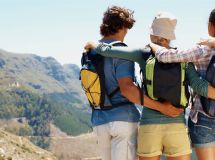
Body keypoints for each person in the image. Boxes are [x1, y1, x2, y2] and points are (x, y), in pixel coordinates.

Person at [84, 12, 215, 160]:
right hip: (176, 124)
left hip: (149, 126)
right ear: (170, 35)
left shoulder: (143, 53)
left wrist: (93, 44)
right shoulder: (181, 57)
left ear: (152, 33)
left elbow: (106, 51)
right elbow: (199, 86)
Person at [149, 9, 215, 160]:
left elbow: (165, 57)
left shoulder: (203, 49)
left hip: (204, 117)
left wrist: (153, 45)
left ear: (210, 26)